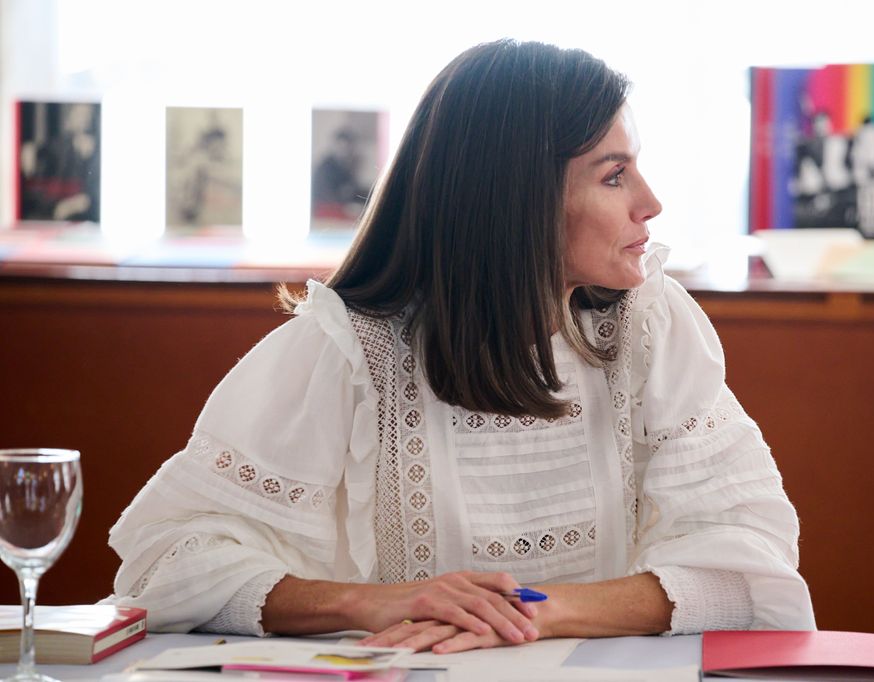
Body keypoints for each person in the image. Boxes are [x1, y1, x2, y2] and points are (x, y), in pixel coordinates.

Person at [106, 39, 815, 653]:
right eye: (614, 174)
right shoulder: (345, 352)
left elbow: (749, 562)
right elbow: (165, 566)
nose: (650, 202)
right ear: (520, 198)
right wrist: (374, 602)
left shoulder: (649, 329)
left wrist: (530, 614)